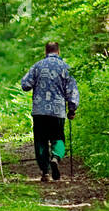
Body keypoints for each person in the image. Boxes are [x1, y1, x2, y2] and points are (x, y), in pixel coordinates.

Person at [20, 42, 79, 182]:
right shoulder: (66, 68)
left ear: (45, 51)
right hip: (57, 111)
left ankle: (45, 172)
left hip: (39, 110)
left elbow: (25, 85)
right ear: (58, 52)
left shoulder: (37, 66)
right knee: (58, 137)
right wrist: (72, 108)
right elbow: (72, 90)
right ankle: (56, 157)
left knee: (41, 140)